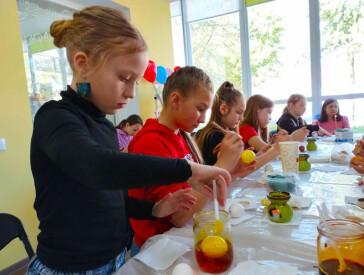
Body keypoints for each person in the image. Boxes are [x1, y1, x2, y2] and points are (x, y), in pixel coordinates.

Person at [27, 6, 231, 275]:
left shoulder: (103, 125)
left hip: (114, 260)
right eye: (124, 78)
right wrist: (189, 169)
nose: (131, 92)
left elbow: (110, 197)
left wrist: (154, 209)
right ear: (82, 63)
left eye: (135, 80)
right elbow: (97, 168)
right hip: (67, 269)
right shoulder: (55, 118)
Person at [128, 68, 246, 256]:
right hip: (156, 249)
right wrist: (221, 166)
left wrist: (230, 170)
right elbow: (178, 216)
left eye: (206, 110)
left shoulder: (180, 135)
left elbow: (194, 188)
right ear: (175, 100)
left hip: (176, 240)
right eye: (200, 109)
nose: (204, 118)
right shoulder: (151, 142)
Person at [195, 81, 282, 172]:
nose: (241, 117)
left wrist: (259, 155)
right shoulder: (215, 136)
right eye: (239, 112)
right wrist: (275, 151)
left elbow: (238, 163)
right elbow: (238, 170)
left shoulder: (223, 133)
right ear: (223, 109)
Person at [239, 94, 309, 152]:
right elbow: (267, 151)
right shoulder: (246, 129)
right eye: (269, 112)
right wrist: (292, 138)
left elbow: (264, 152)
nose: (270, 118)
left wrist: (274, 143)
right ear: (257, 110)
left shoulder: (259, 130)